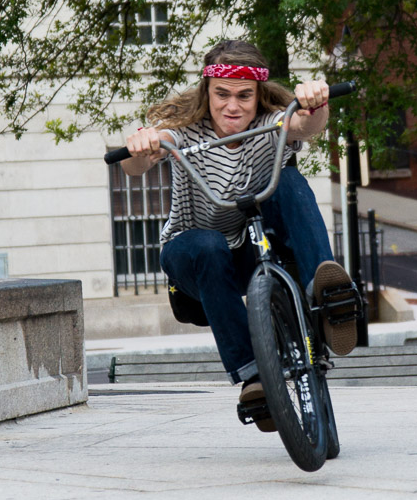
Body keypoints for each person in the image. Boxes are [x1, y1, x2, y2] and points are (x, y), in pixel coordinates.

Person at [121, 39, 357, 429]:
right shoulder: (185, 133)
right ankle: (254, 377)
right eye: (222, 95)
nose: (233, 106)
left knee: (291, 184)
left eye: (245, 96)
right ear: (207, 92)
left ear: (258, 94)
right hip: (196, 258)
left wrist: (316, 105)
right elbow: (140, 162)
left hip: (254, 247)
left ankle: (328, 296)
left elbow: (304, 125)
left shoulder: (269, 126)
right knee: (208, 245)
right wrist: (140, 148)